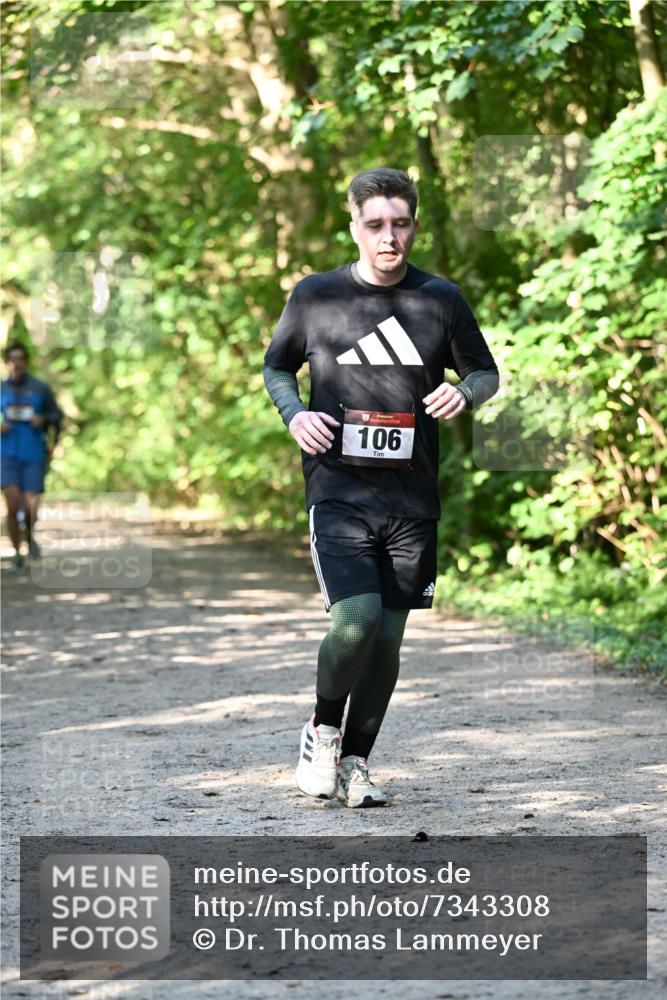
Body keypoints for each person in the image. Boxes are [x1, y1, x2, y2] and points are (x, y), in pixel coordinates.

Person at [263, 167, 499, 807]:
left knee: (389, 638)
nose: (388, 237)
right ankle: (322, 728)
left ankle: (358, 764)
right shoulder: (316, 296)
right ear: (354, 228)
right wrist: (296, 414)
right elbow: (277, 366)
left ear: (414, 225)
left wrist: (464, 391)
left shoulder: (440, 299)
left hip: (413, 498)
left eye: (400, 225)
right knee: (356, 622)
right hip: (338, 490)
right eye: (375, 226)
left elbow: (485, 372)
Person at [1, 341, 62, 572]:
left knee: (30, 506)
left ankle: (30, 536)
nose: (16, 363)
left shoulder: (40, 388)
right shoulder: (1, 389)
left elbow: (57, 415)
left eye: (20, 358)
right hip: (6, 453)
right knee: (11, 501)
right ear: (7, 362)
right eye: (12, 359)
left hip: (33, 452)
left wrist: (43, 420)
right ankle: (17, 552)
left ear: (26, 361)